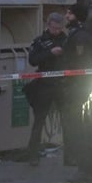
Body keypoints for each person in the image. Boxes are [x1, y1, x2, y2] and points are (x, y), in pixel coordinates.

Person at [62, 3, 92, 183]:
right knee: (85, 127)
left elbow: (80, 63)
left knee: (80, 129)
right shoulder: (80, 34)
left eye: (69, 13)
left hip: (79, 87)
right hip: (81, 86)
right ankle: (91, 168)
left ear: (76, 15)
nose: (66, 16)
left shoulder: (80, 36)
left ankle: (86, 169)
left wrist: (73, 83)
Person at [24, 12, 67, 166]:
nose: (57, 31)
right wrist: (50, 53)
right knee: (39, 120)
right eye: (54, 28)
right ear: (48, 25)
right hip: (45, 84)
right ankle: (33, 155)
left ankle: (70, 156)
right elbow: (33, 60)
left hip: (62, 83)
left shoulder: (66, 39)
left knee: (67, 119)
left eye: (59, 28)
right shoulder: (40, 41)